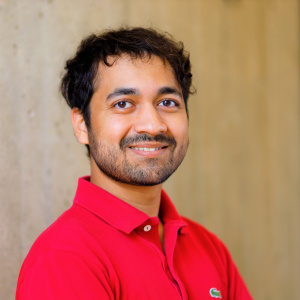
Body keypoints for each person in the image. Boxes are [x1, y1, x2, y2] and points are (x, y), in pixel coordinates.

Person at [16, 27, 252, 300]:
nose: (153, 124)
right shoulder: (65, 258)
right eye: (123, 103)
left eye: (167, 102)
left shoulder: (209, 248)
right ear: (82, 125)